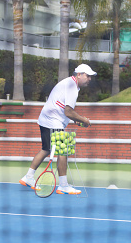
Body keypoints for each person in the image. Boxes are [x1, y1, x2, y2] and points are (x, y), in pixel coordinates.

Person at [19, 63, 97, 195]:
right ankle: (63, 186)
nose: (89, 79)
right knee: (63, 151)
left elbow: (62, 107)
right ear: (79, 75)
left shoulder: (69, 83)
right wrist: (84, 120)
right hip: (53, 121)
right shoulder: (72, 86)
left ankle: (28, 177)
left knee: (46, 149)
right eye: (87, 76)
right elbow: (68, 111)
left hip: (45, 119)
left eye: (90, 76)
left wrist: (76, 120)